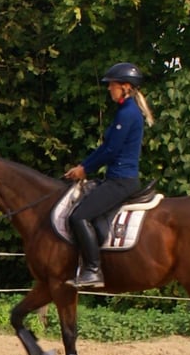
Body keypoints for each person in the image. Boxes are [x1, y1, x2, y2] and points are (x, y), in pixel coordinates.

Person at [63, 62, 155, 288]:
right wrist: (83, 165)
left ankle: (93, 270)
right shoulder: (126, 111)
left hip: (121, 181)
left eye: (112, 85)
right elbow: (107, 148)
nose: (108, 89)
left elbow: (111, 150)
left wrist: (85, 169)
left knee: (78, 217)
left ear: (125, 87)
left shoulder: (128, 113)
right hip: (117, 178)